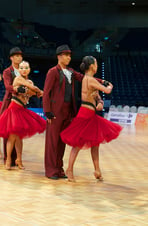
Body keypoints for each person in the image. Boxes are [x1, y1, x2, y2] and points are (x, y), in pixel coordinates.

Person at [43, 44, 107, 180]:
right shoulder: (52, 71)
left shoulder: (71, 72)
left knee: (62, 141)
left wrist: (102, 81)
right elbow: (46, 93)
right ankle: (51, 170)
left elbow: (85, 78)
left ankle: (59, 169)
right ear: (59, 56)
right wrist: (47, 111)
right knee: (53, 142)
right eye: (66, 55)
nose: (69, 58)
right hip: (55, 111)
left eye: (70, 55)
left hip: (68, 111)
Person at [60, 56, 122, 182]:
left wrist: (100, 102)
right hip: (85, 114)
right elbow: (107, 91)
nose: (97, 66)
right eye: (96, 64)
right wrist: (110, 85)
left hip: (91, 114)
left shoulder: (90, 80)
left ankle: (97, 170)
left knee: (95, 143)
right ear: (92, 66)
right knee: (78, 143)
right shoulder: (89, 79)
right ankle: (70, 169)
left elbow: (98, 96)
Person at [0, 61, 45, 169]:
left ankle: (19, 160)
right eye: (21, 68)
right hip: (13, 110)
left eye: (26, 68)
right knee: (12, 137)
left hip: (22, 110)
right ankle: (8, 160)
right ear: (19, 70)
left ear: (29, 69)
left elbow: (35, 93)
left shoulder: (30, 82)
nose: (24, 70)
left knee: (19, 138)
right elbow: (34, 90)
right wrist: (37, 91)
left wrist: (39, 92)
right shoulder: (18, 79)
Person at [1, 47, 23, 166]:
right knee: (8, 132)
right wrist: (16, 89)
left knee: (19, 133)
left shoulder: (24, 70)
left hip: (20, 104)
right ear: (11, 58)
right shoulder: (7, 71)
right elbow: (7, 86)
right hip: (10, 103)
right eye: (16, 56)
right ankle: (7, 158)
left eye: (20, 56)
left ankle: (17, 159)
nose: (19, 58)